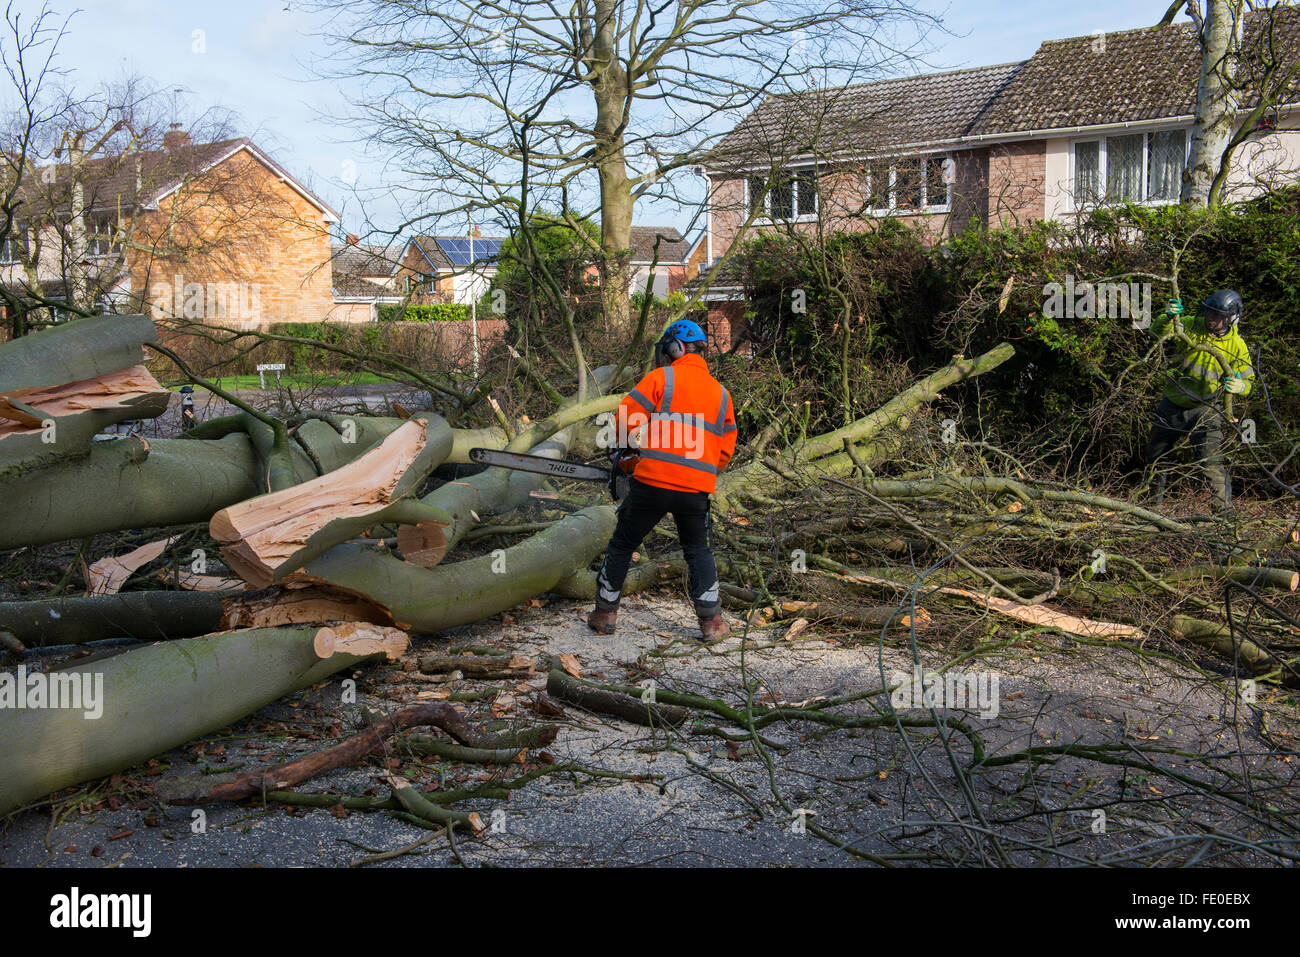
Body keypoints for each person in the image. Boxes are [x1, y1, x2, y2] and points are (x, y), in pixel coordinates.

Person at [587, 319, 737, 640]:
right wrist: (700, 468)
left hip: (652, 483)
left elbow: (625, 419)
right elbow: (724, 451)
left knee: (624, 543)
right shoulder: (721, 394)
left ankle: (604, 614)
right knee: (699, 550)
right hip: (696, 490)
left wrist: (629, 450)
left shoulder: (662, 378)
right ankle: (711, 623)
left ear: (675, 348)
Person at [1145, 289, 1254, 512]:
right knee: (1156, 456)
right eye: (1209, 313)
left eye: (1218, 316)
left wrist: (1241, 387)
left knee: (1211, 463)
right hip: (1173, 403)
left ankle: (1223, 515)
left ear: (1231, 318)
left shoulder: (1237, 346)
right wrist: (1167, 316)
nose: (1211, 319)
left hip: (1206, 409)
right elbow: (1156, 333)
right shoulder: (1190, 324)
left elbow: (1248, 380)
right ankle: (1150, 509)